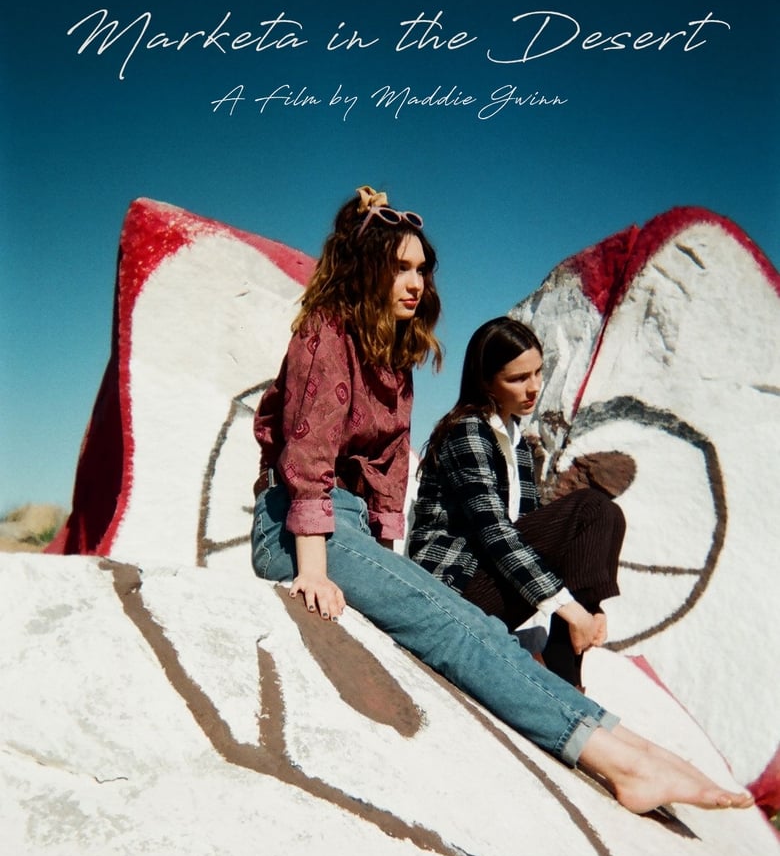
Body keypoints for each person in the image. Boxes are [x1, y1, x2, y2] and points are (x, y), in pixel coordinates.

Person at [250, 185, 752, 815]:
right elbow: (307, 457)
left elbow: (385, 480)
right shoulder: (328, 333)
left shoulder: (395, 360)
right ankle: (618, 760)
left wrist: (383, 562)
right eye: (400, 266)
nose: (416, 281)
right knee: (453, 628)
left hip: (347, 532)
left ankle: (631, 745)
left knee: (478, 626)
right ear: (365, 269)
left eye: (421, 268)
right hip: (297, 531)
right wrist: (315, 570)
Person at [409, 316, 624, 689]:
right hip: (451, 588)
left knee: (608, 513)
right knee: (591, 508)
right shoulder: (467, 430)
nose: (533, 388)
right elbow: (496, 533)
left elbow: (535, 531)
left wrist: (590, 605)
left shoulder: (517, 444)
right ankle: (564, 672)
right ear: (485, 381)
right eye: (517, 378)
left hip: (485, 581)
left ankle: (566, 679)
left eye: (538, 373)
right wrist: (568, 608)